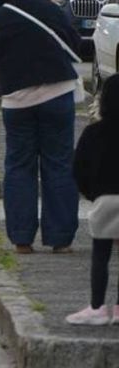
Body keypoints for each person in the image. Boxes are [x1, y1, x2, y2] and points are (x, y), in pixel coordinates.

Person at [0, 0, 83, 253]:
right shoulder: (52, 11)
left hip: (17, 102)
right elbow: (75, 45)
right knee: (59, 164)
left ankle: (22, 239)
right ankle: (61, 239)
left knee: (19, 166)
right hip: (58, 95)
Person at [67, 75, 119, 324]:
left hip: (104, 200)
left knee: (101, 255)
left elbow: (78, 169)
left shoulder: (93, 132)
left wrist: (93, 194)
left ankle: (97, 307)